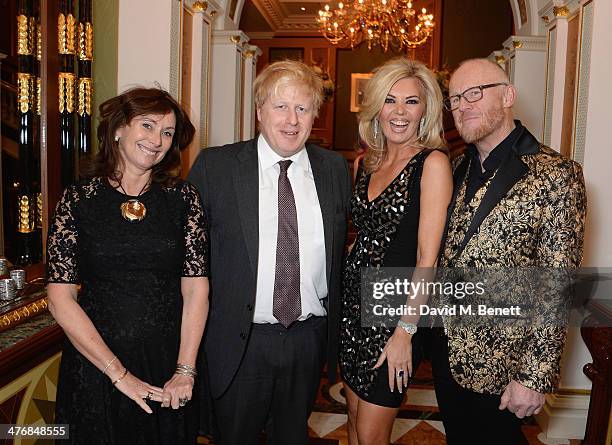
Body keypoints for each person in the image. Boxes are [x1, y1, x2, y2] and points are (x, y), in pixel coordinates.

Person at [188, 60, 351, 445]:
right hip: (239, 341)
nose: (291, 120)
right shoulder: (216, 167)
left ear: (315, 114)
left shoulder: (335, 169)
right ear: (259, 112)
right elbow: (186, 256)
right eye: (280, 106)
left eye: (302, 108)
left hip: (308, 338)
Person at [432, 58, 587, 445]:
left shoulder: (556, 174)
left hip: (504, 366)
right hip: (444, 351)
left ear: (507, 95)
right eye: (454, 99)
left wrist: (534, 376)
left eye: (474, 93)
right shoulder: (454, 167)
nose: (462, 106)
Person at [46, 87, 209, 444]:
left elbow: (196, 288)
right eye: (147, 126)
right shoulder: (78, 200)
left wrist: (185, 370)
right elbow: (60, 299)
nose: (158, 140)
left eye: (167, 133)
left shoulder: (183, 199)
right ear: (118, 129)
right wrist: (118, 374)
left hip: (168, 365)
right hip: (95, 366)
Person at [339, 57, 452, 445]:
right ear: (376, 107)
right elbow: (368, 235)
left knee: (372, 434)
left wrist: (405, 332)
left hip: (394, 311)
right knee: (354, 419)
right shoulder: (364, 164)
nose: (399, 112)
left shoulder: (432, 163)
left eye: (411, 101)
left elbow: (427, 258)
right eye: (390, 101)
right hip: (353, 304)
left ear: (426, 110)